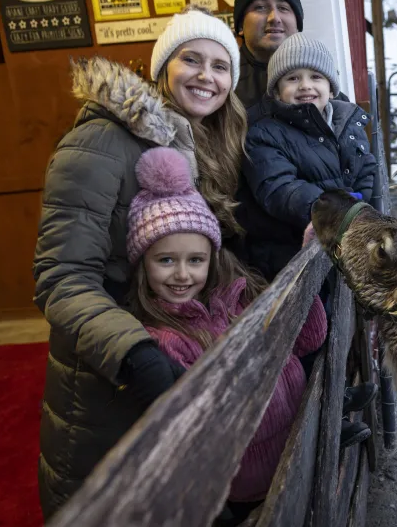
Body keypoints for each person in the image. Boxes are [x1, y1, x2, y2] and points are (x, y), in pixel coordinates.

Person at [32, 5, 247, 520]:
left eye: (221, 67)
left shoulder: (203, 143)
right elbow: (61, 276)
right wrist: (133, 352)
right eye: (191, 59)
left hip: (171, 348)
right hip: (109, 373)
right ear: (161, 67)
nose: (206, 76)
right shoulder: (102, 141)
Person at [123, 146, 328, 526]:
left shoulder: (237, 297)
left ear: (212, 259)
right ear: (143, 265)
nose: (182, 274)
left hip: (300, 446)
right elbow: (218, 426)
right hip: (250, 486)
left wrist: (302, 279)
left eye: (195, 260)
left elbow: (309, 339)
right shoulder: (167, 340)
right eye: (166, 260)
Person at [237, 33, 377, 281]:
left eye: (316, 77)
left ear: (331, 88)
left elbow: (365, 166)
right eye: (292, 78)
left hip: (346, 236)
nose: (305, 86)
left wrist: (360, 204)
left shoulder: (347, 125)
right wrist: (329, 208)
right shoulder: (263, 134)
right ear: (277, 93)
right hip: (294, 251)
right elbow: (280, 188)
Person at [233, 0, 303, 111]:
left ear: (297, 26)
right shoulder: (224, 82)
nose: (274, 18)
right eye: (260, 7)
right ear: (240, 25)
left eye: (283, 8)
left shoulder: (319, 76)